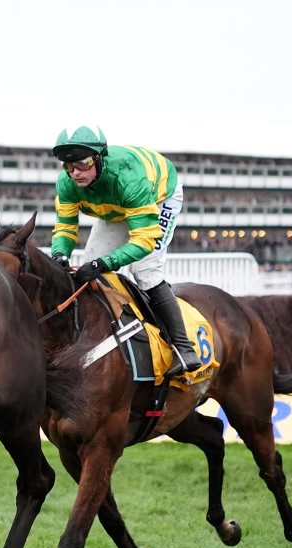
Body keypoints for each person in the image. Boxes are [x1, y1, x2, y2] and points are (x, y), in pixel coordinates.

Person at [50, 125, 202, 375]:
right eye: (69, 166)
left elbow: (144, 241)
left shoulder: (128, 178)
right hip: (117, 207)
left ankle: (184, 348)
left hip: (158, 195)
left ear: (99, 158)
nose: (75, 172)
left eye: (83, 163)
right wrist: (59, 254)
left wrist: (104, 263)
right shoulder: (66, 183)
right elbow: (66, 226)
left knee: (145, 270)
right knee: (90, 272)